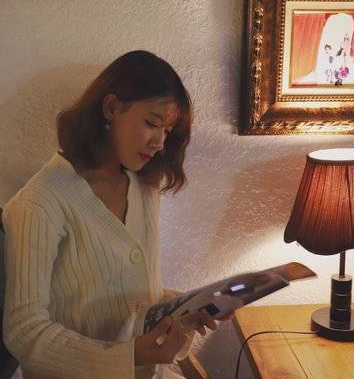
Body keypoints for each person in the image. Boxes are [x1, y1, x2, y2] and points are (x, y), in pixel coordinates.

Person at [2, 50, 224, 379]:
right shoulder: (41, 201)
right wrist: (129, 355)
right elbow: (25, 332)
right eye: (152, 123)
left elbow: (127, 299)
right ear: (111, 108)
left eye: (167, 130)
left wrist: (186, 309)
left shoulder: (144, 187)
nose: (159, 142)